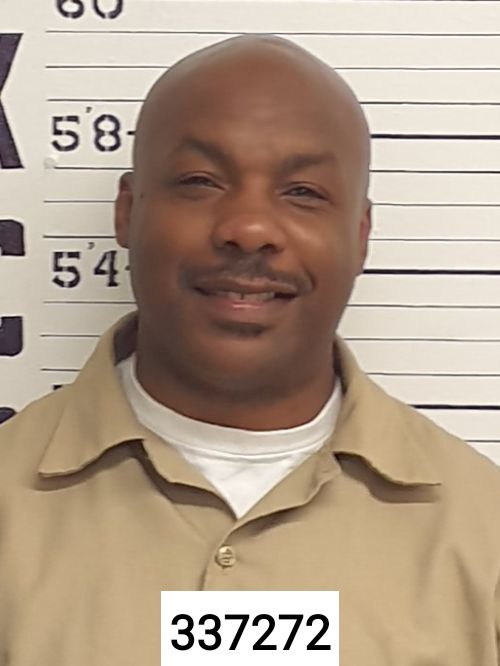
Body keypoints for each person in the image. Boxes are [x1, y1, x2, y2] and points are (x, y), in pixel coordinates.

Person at [0, 34, 499, 665]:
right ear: (127, 212)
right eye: (200, 181)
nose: (249, 228)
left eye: (303, 192)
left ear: (360, 235)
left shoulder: (484, 533)